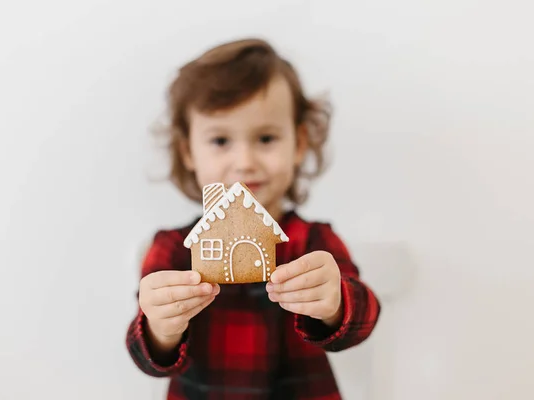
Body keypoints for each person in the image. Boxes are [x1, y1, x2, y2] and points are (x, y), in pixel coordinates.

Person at [125, 38, 381, 400]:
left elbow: (363, 318)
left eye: (265, 137)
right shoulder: (171, 249)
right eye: (220, 141)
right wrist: (160, 328)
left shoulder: (312, 242)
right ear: (188, 152)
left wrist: (335, 302)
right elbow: (147, 357)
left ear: (299, 143)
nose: (244, 161)